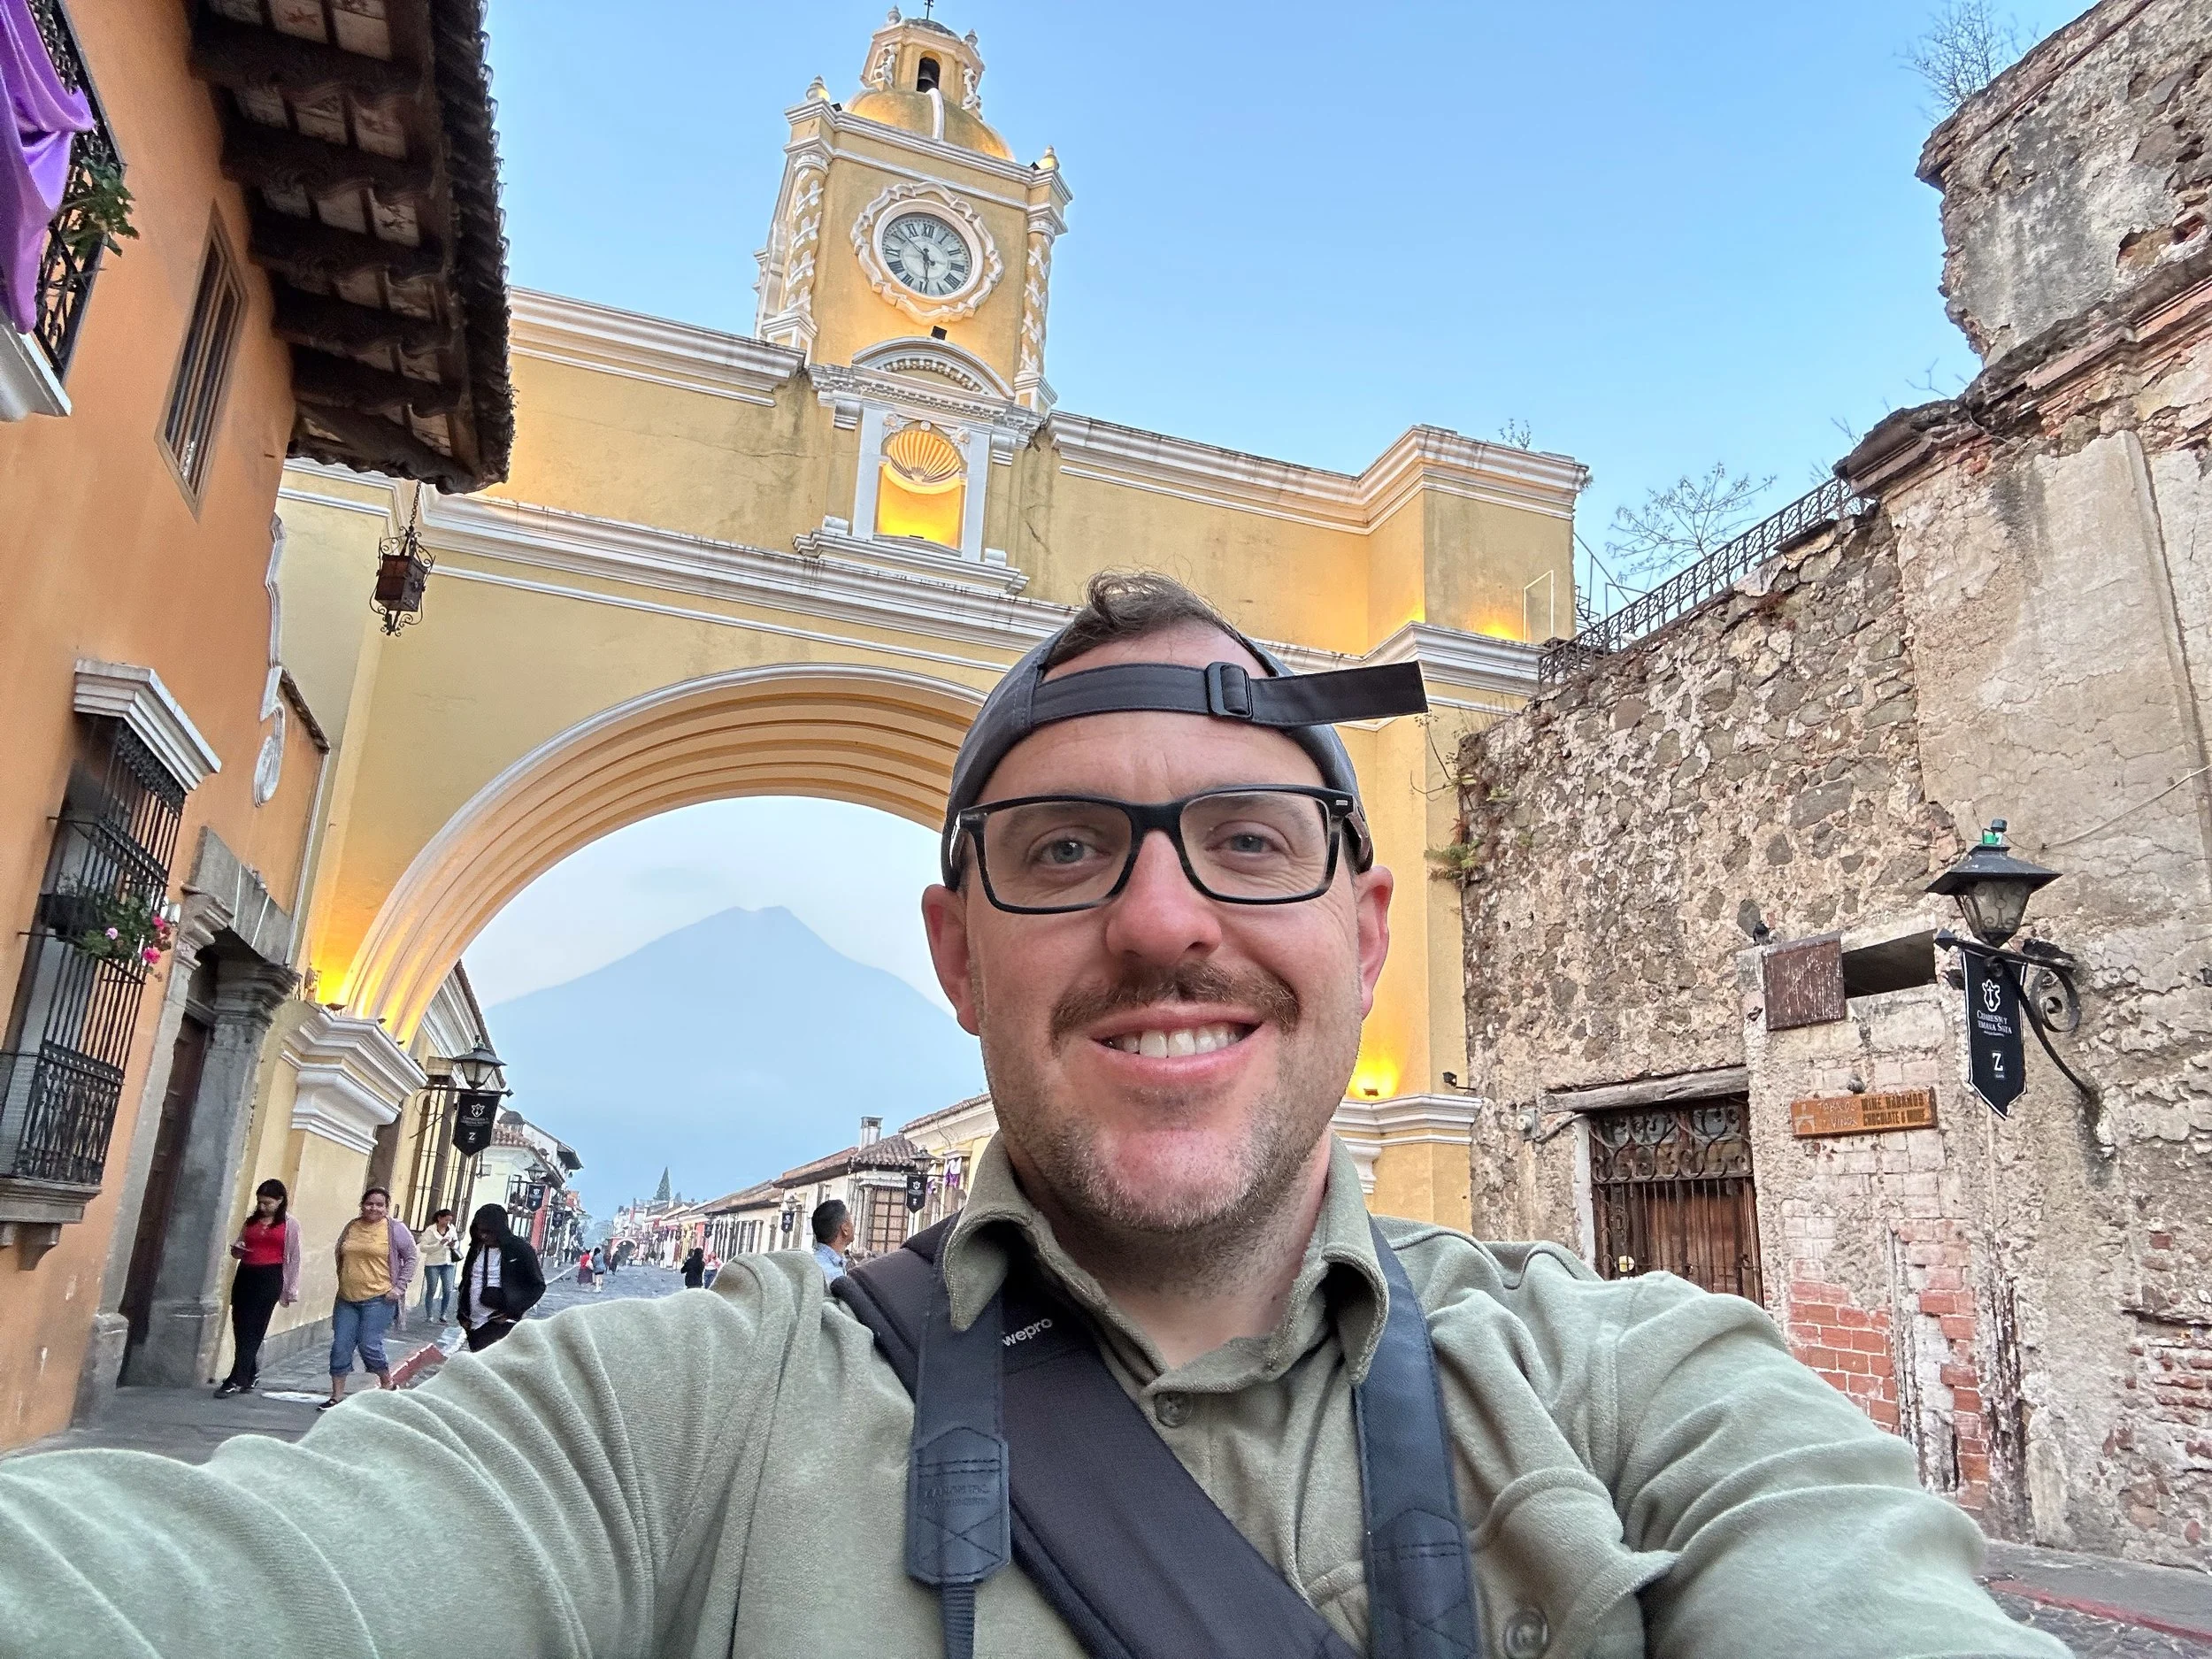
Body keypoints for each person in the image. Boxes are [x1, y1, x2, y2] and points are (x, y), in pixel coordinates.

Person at [0, 571, 2065, 1656]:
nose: (1166, 916)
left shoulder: (1643, 1381)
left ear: (1364, 927)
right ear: (956, 945)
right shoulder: (674, 1425)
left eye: (1248, 840)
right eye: (1067, 848)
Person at [323, 1187, 417, 1410]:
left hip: (379, 1298)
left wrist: (399, 1288)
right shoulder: (352, 1227)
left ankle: (387, 1383)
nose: (373, 1208)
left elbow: (411, 1258)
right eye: (369, 1204)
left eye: (379, 1205)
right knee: (340, 1346)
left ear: (386, 1207)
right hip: (347, 1298)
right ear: (362, 1205)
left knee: (369, 1345)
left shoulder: (395, 1229)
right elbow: (341, 1254)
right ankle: (336, 1397)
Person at [214, 1179, 299, 1397]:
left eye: (268, 1203)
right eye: (260, 1202)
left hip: (270, 1276)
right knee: (240, 1325)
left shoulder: (289, 1225)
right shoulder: (251, 1222)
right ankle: (250, 1373)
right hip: (246, 1274)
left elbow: (294, 1258)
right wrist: (238, 1249)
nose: (262, 1207)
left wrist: (290, 1288)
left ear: (280, 1201)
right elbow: (239, 1248)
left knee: (255, 1328)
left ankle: (235, 1378)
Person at [457, 1202, 544, 1353]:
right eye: (480, 1231)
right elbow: (467, 1280)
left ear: (500, 1230)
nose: (484, 1235)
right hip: (473, 1324)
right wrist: (462, 1315)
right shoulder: (476, 1248)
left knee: (488, 1368)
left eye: (488, 1232)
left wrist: (512, 1312)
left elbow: (537, 1286)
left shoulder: (520, 1249)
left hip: (500, 1323)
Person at [414, 1207, 461, 1324]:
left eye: (449, 1221)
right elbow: (423, 1247)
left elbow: (456, 1242)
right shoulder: (430, 1230)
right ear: (439, 1218)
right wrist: (439, 1244)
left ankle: (443, 1314)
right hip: (433, 1264)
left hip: (448, 1262)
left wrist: (453, 1245)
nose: (447, 1223)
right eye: (446, 1220)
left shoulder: (451, 1229)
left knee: (447, 1289)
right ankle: (429, 1315)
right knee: (432, 1289)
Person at [810, 1199, 853, 1283]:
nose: (853, 1226)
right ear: (845, 1229)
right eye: (851, 1222)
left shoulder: (814, 1262)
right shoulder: (833, 1275)